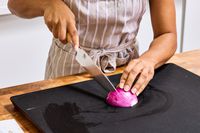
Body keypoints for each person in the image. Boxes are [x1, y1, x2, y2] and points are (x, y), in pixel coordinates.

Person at [8, 0, 177, 96]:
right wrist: (49, 4)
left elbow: (167, 34)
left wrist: (149, 60)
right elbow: (15, 4)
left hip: (127, 75)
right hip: (67, 72)